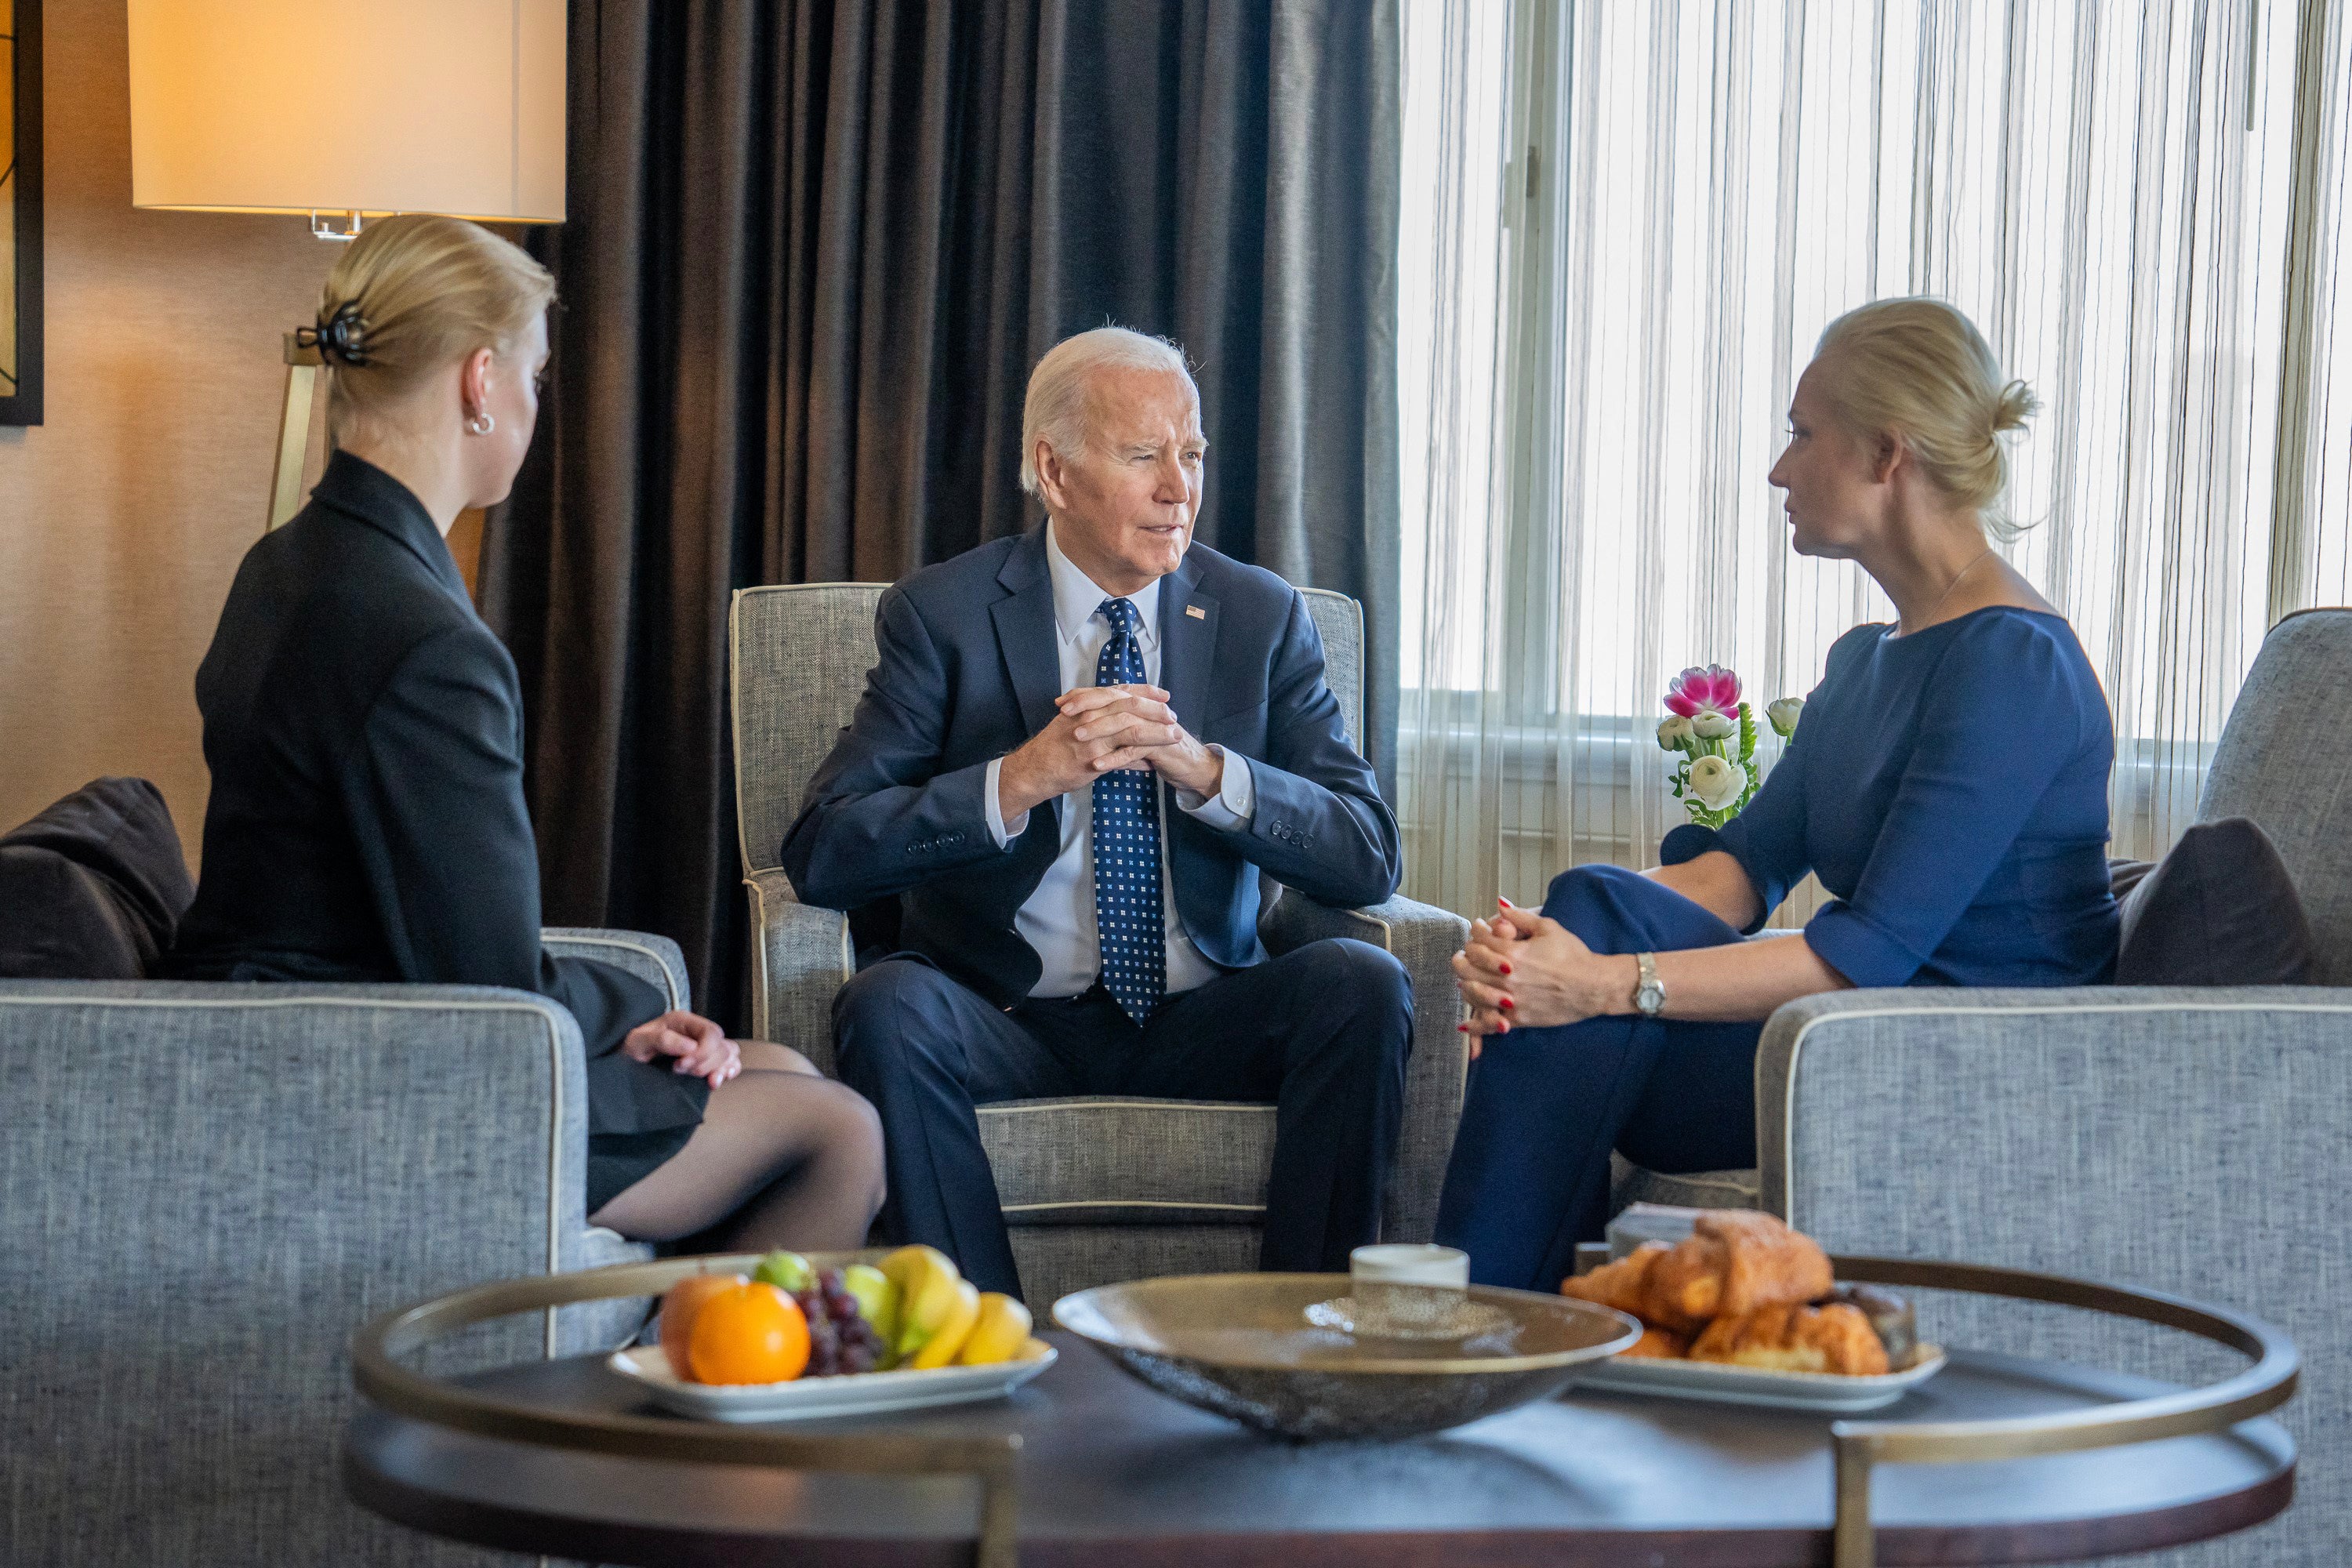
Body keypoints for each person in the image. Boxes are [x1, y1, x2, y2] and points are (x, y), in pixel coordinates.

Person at [166, 215, 884, 1253]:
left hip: (307, 1038)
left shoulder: (286, 564)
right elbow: (494, 987)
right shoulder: (422, 640)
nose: (535, 407)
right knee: (838, 1130)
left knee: (787, 1073)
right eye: (536, 379)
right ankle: (688, 1407)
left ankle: (682, 1386)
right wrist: (634, 999)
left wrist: (623, 1012)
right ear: (479, 380)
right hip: (380, 1084)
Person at [1435, 298, 2118, 1291]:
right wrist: (1553, 944)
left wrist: (1601, 979)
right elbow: (1738, 872)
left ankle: (1482, 1334)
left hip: (1964, 1062)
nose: (1778, 469)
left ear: (1888, 454)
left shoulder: (2013, 666)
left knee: (1584, 992)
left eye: (1803, 434)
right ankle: (1507, 1333)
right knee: (1586, 906)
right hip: (1849, 1037)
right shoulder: (1868, 661)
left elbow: (1867, 957)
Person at [780, 327, 1413, 1299]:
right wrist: (1021, 776)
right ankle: (982, 1341)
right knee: (887, 1004)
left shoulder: (1259, 614)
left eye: (1191, 454)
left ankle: (1302, 1333)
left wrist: (1208, 772)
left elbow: (1368, 851)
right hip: (1007, 1010)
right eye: (1143, 454)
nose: (1179, 487)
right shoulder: (943, 615)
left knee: (1362, 982)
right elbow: (825, 848)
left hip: (1209, 1008)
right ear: (1055, 470)